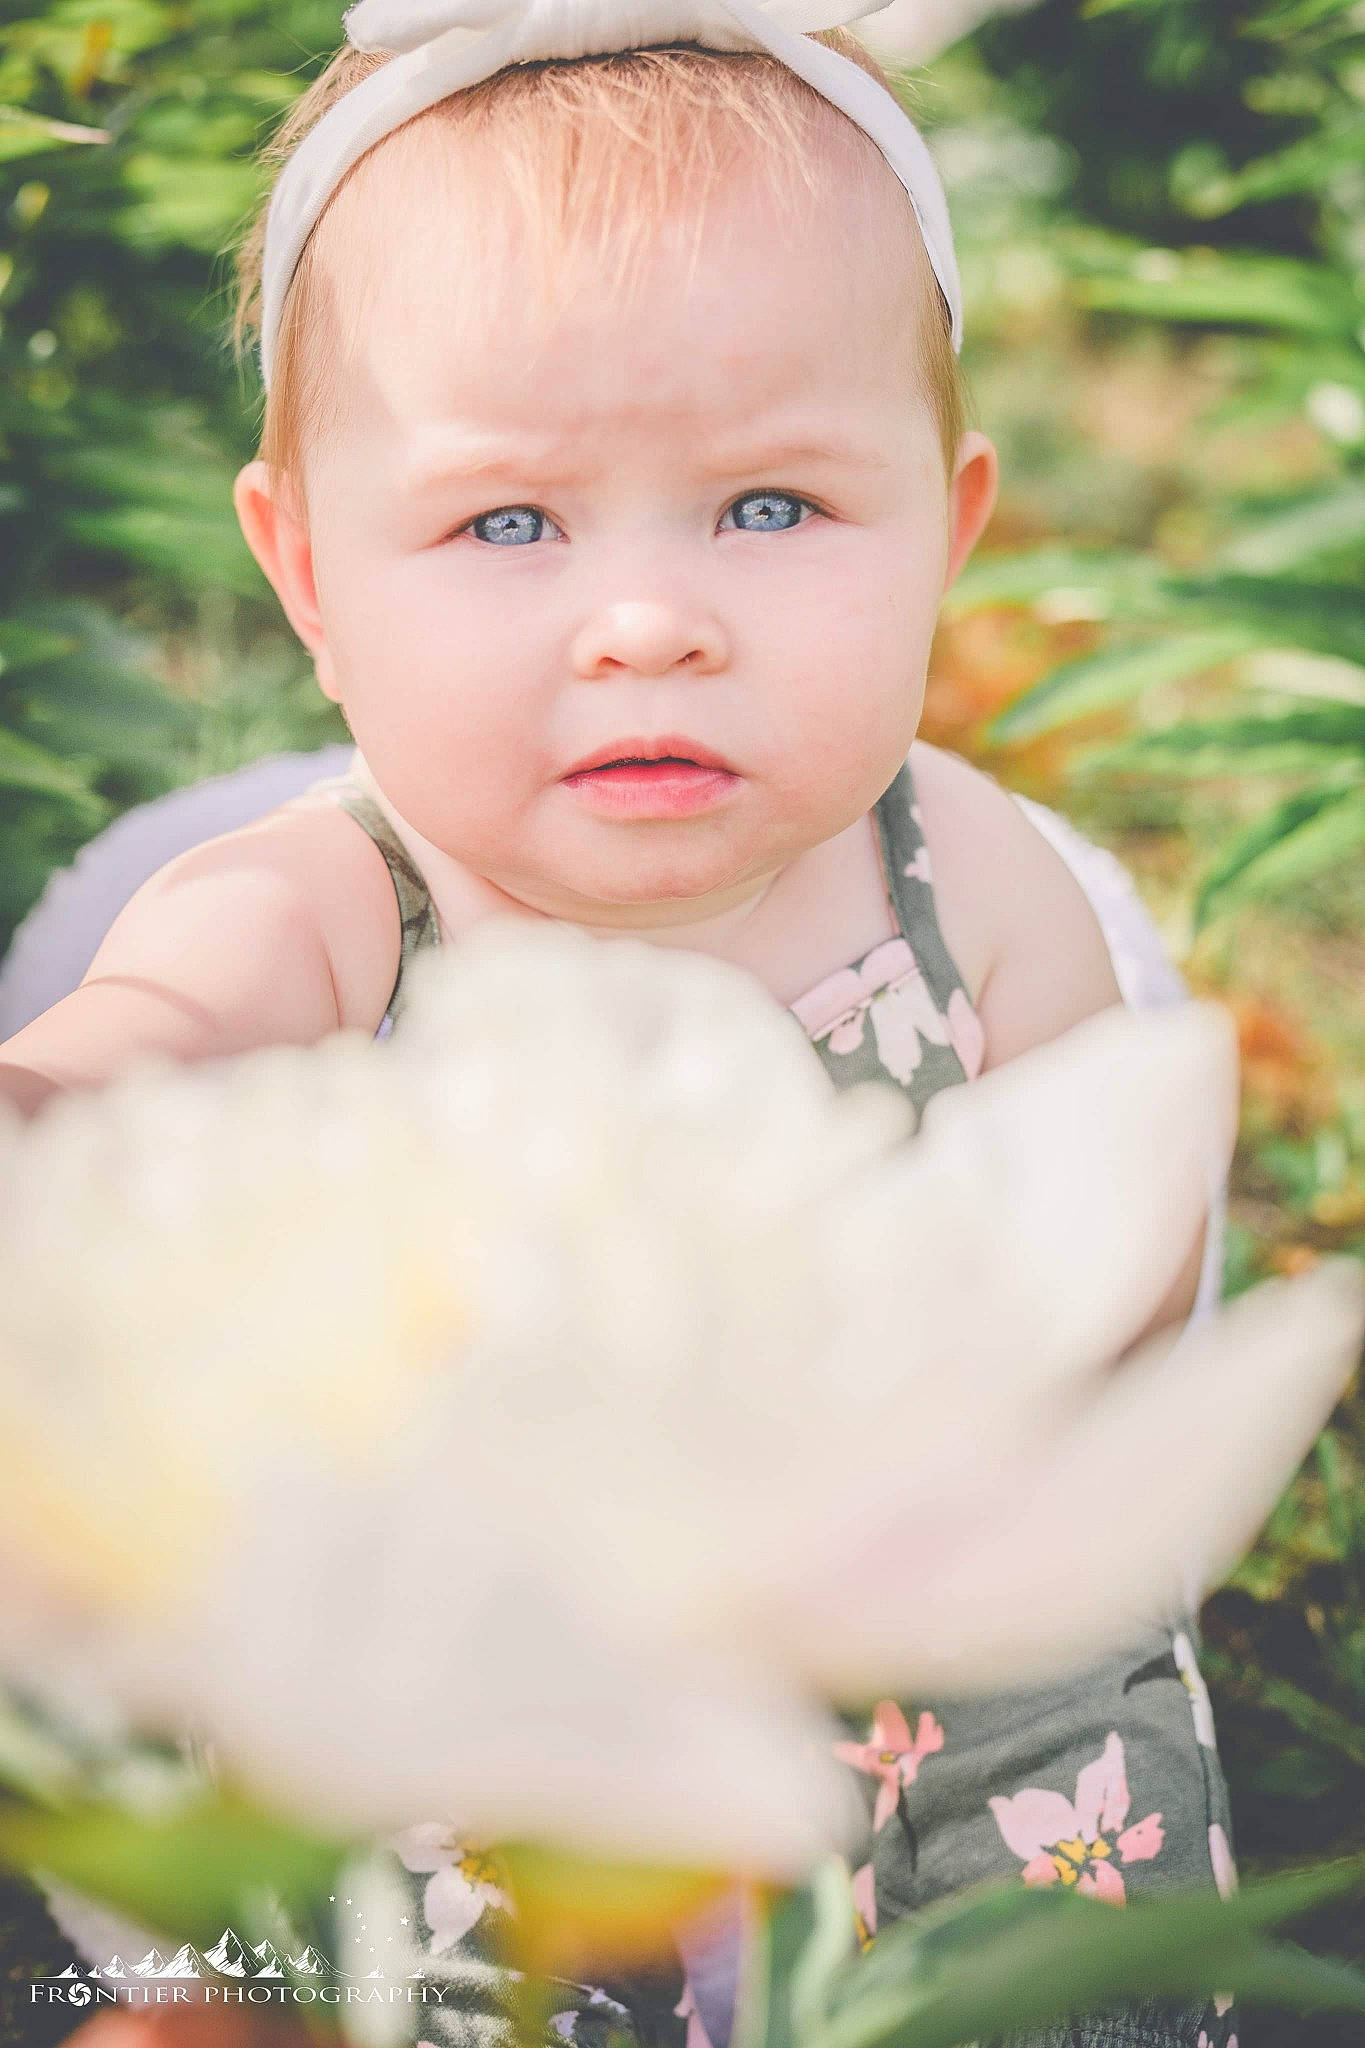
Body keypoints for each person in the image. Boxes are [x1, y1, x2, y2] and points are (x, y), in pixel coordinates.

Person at [0, 4, 1237, 2044]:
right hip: (489, 1725)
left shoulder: (973, 873)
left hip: (928, 1701)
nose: (648, 615)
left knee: (1030, 1936)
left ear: (950, 520)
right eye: (509, 522)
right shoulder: (320, 908)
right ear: (304, 571)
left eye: (766, 506)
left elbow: (1118, 1257)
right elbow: (121, 1070)